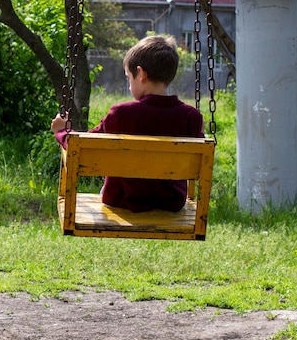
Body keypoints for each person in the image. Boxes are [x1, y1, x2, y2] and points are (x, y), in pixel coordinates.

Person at [51, 34, 204, 213]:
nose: (129, 85)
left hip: (120, 200)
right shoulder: (191, 116)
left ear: (141, 74)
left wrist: (62, 131)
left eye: (128, 78)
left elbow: (81, 147)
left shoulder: (121, 113)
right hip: (171, 202)